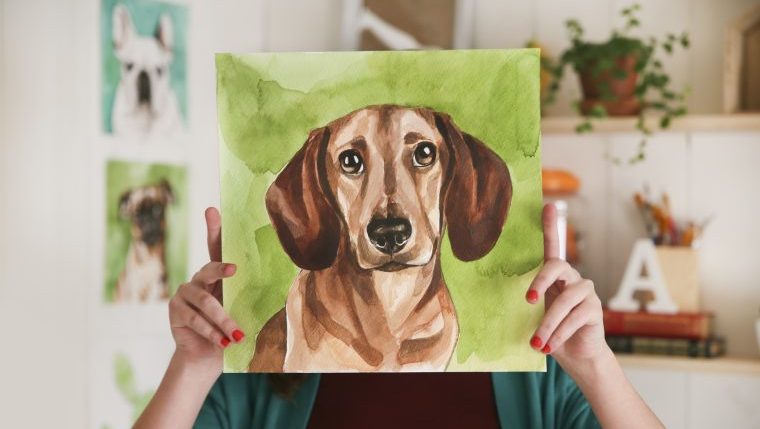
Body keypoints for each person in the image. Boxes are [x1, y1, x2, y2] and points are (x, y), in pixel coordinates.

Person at [134, 204, 663, 429]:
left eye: (421, 158)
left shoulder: (536, 367)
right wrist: (194, 365)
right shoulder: (264, 367)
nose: (389, 212)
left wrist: (595, 364)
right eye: (354, 165)